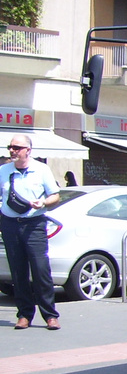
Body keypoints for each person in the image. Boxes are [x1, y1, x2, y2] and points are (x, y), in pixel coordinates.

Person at [0, 135, 61, 330]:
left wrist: (43, 202)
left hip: (34, 224)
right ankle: (24, 314)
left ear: (28, 150)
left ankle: (50, 315)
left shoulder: (41, 169)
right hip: (10, 224)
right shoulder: (3, 171)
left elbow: (55, 196)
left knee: (40, 269)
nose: (12, 151)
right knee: (18, 272)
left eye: (17, 147)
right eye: (10, 147)